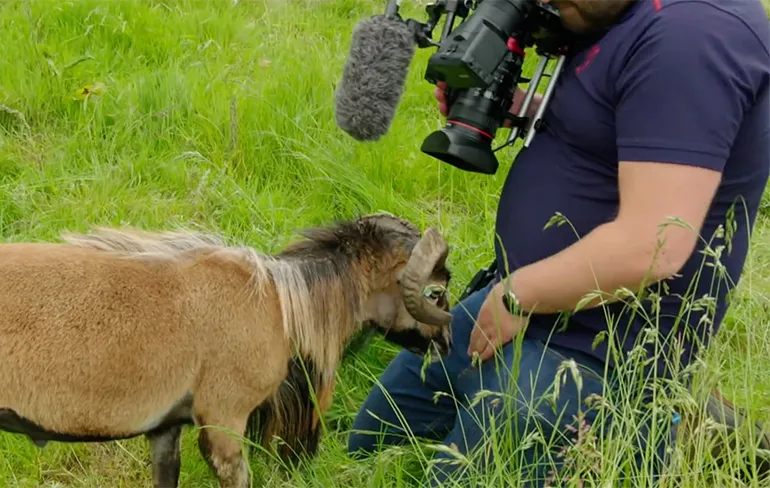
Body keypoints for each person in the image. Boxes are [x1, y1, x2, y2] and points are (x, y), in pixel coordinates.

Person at [348, 0, 770, 485]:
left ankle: (659, 428)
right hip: (525, 302)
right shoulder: (618, 15)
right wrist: (514, 105)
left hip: (598, 351)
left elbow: (653, 243)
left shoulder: (695, 35)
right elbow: (621, 116)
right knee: (371, 444)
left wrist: (520, 294)